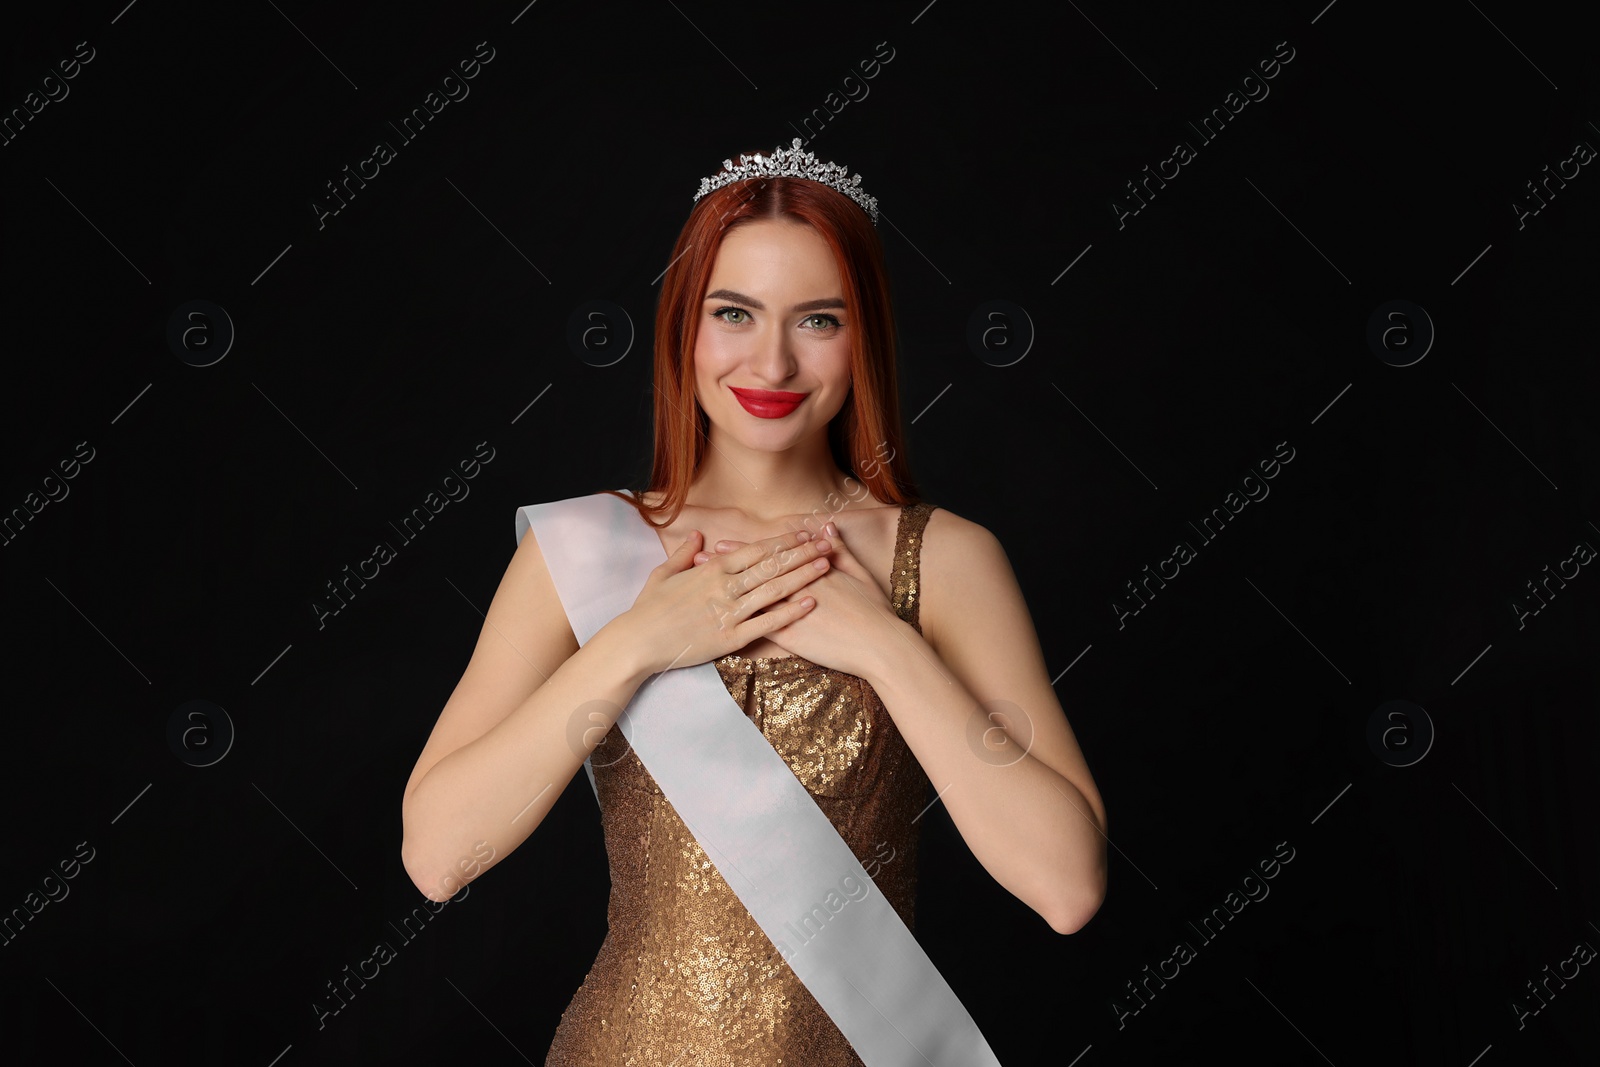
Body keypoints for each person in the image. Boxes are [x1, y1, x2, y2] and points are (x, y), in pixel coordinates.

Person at [400, 140, 1108, 1065]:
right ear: (683, 325)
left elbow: (1067, 887)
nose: (771, 362)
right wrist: (635, 643)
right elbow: (438, 857)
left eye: (819, 319)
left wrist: (889, 648)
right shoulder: (578, 551)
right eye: (734, 312)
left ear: (868, 337)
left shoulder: (946, 559)